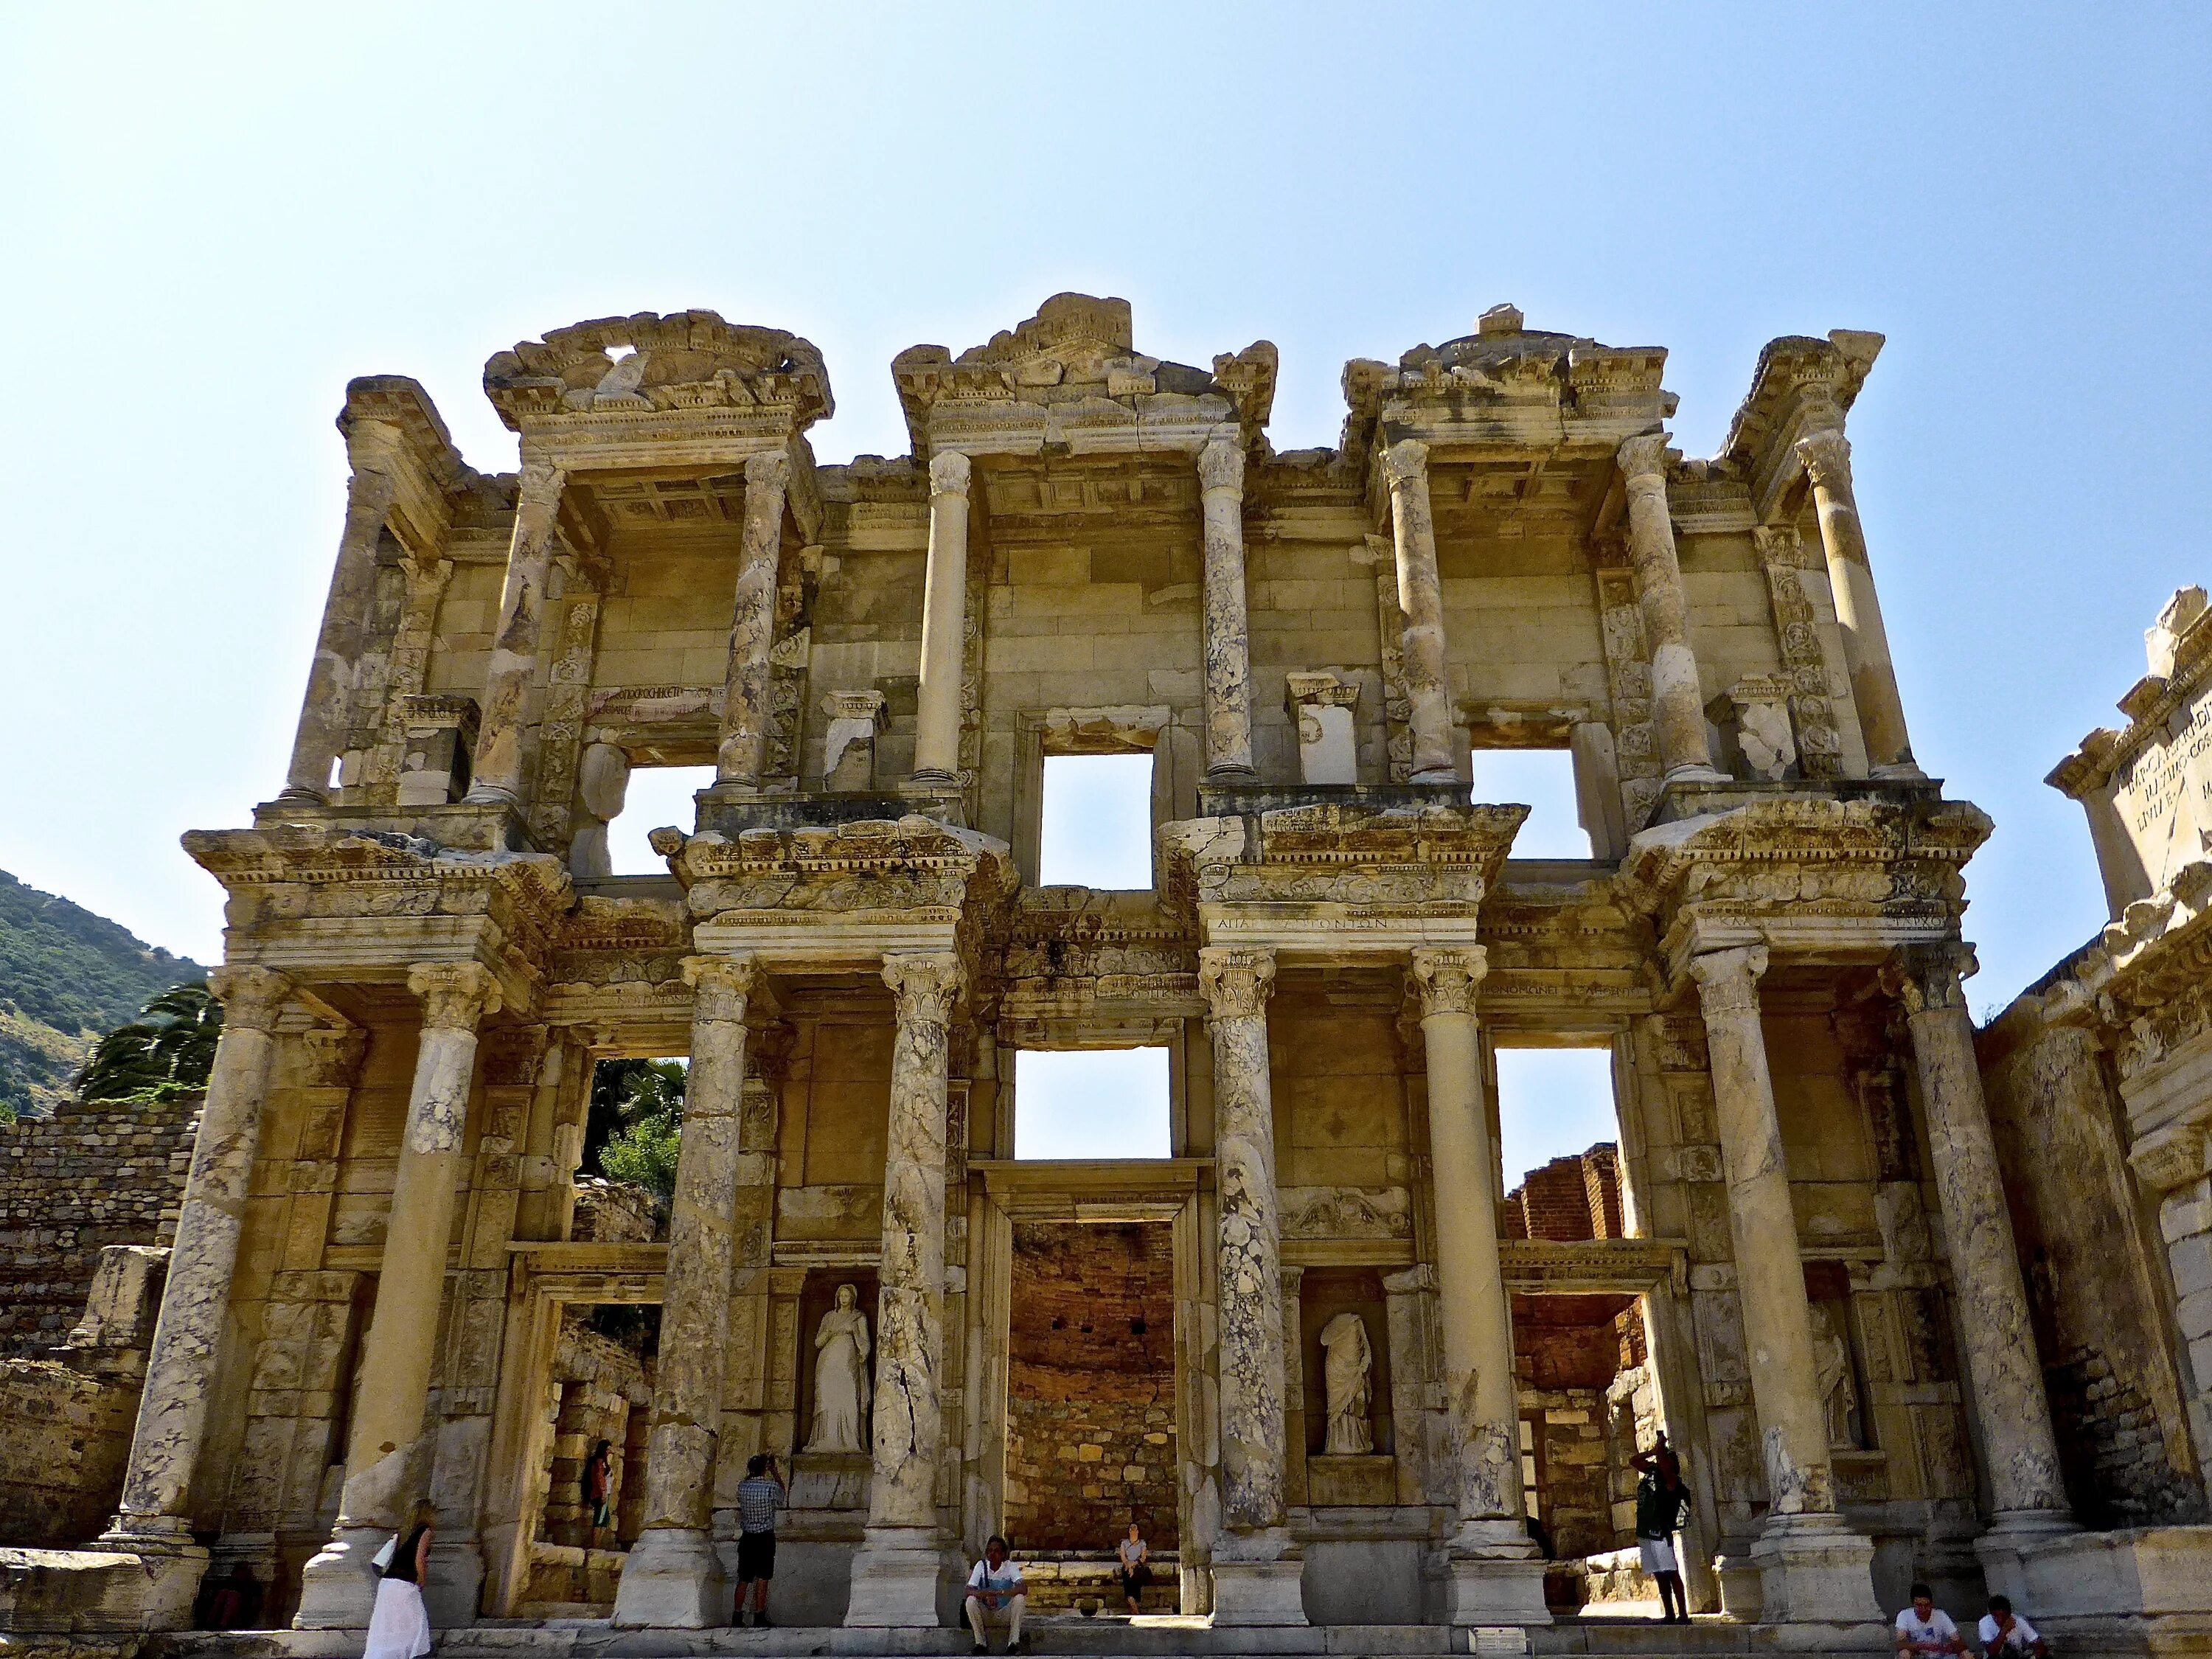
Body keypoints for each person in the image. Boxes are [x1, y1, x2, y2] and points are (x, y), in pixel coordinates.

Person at [364, 1500, 436, 1659]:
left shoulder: (403, 1532)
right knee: (415, 1623)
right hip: (404, 1584)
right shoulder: (425, 1531)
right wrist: (422, 1578)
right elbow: (419, 1558)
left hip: (387, 1584)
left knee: (386, 1626)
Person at [1630, 1445, 1693, 1624]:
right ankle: (1669, 1614)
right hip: (1646, 1531)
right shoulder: (1653, 1473)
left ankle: (1683, 1614)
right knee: (1659, 1574)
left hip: (1660, 1531)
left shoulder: (1672, 1480)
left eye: (1666, 1458)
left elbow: (1666, 1470)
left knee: (1671, 1572)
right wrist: (1653, 1451)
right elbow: (1634, 1461)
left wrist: (1660, 1453)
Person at [734, 1452, 787, 1627]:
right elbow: (782, 1496)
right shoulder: (771, 1488)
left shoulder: (742, 1487)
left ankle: (737, 1614)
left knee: (743, 1578)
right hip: (765, 1537)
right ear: (766, 1469)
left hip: (747, 1536)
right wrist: (776, 1473)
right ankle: (759, 1615)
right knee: (763, 1577)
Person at [965, 1535, 1026, 1655]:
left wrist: (1000, 1593)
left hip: (1004, 1614)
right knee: (971, 1601)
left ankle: (1013, 1644)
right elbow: (968, 1590)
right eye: (990, 1551)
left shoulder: (1009, 1567)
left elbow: (1023, 1588)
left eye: (996, 1551)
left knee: (1020, 1599)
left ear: (1003, 1554)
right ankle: (980, 1644)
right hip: (986, 1614)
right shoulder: (981, 1566)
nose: (992, 1554)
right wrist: (986, 1595)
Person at [1896, 1582, 1968, 1657]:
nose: (1923, 1609)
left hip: (1939, 1655)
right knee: (1904, 1653)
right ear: (1913, 1604)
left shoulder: (1941, 1615)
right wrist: (1923, 1646)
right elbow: (1900, 1644)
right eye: (1919, 1605)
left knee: (1966, 1654)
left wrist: (1950, 1646)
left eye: (1926, 1605)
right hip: (1917, 1656)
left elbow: (1958, 1641)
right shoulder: (1904, 1615)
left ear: (1931, 1604)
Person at [1979, 1595, 2046, 1658]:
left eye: (2003, 1616)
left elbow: (2039, 1644)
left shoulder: (2019, 1621)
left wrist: (2034, 1657)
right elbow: (1992, 1652)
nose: (2000, 1620)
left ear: (2009, 1615)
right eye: (1996, 1616)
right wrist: (2004, 1631)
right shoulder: (1985, 1623)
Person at [1117, 1522, 1151, 1615]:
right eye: (1131, 1530)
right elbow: (1123, 1557)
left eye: (1135, 1529)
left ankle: (1134, 1607)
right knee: (1128, 1579)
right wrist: (1128, 1565)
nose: (1133, 1532)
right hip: (1127, 1567)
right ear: (1129, 1531)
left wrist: (1133, 1565)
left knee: (1135, 1578)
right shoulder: (1124, 1543)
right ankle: (1134, 1607)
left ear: (1138, 1531)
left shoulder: (1142, 1543)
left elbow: (1143, 1558)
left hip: (1138, 1567)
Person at [581, 1439, 613, 1532]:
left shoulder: (603, 1462)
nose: (608, 1452)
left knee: (605, 1519)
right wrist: (603, 1493)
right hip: (601, 1493)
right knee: (600, 1519)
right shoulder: (599, 1462)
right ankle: (595, 1544)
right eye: (607, 1450)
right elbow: (599, 1477)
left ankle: (597, 1544)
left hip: (605, 1492)